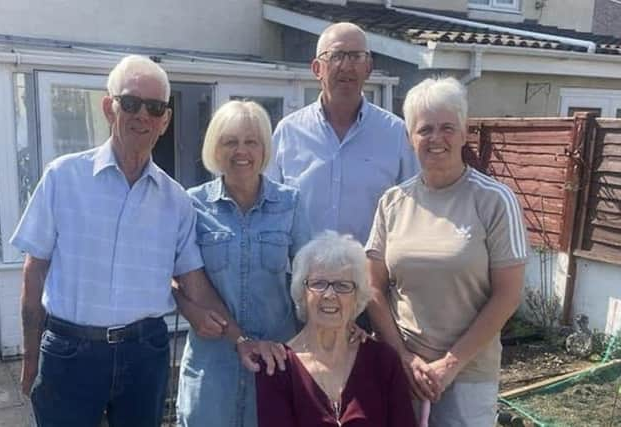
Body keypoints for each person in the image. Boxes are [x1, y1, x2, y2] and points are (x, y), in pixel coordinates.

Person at [10, 55, 230, 427]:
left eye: (155, 106)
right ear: (109, 107)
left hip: (145, 354)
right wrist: (31, 358)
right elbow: (34, 272)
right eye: (130, 102)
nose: (142, 114)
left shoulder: (175, 200)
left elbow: (193, 281)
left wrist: (241, 336)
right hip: (69, 353)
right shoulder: (63, 178)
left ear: (165, 120)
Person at [365, 76, 528, 426]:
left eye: (447, 127)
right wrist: (405, 358)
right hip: (403, 370)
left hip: (468, 374)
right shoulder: (393, 202)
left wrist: (449, 365)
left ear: (464, 131)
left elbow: (508, 296)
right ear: (410, 138)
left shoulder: (495, 201)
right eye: (424, 129)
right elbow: (373, 288)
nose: (436, 138)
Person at [176, 100, 311, 427]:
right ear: (214, 148)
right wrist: (190, 309)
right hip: (212, 367)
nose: (242, 151)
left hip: (274, 361)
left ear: (265, 148)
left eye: (251, 141)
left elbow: (313, 278)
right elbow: (172, 278)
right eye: (230, 141)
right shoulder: (191, 204)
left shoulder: (290, 203)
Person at [266, 22, 419, 245]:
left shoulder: (395, 134)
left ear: (368, 67)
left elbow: (413, 212)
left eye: (356, 56)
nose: (346, 66)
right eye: (336, 56)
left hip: (371, 276)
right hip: (303, 276)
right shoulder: (288, 133)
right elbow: (269, 210)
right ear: (317, 69)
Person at [256, 231, 417, 427]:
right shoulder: (278, 366)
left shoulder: (383, 361)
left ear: (357, 297)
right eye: (319, 284)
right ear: (301, 292)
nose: (330, 294)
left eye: (342, 286)